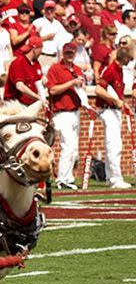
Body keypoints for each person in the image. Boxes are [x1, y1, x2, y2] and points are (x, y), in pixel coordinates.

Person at [46, 42, 87, 189]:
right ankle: (62, 179)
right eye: (67, 53)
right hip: (61, 112)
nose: (69, 55)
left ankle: (68, 178)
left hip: (75, 111)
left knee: (74, 148)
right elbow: (52, 90)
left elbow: (81, 89)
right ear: (63, 53)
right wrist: (72, 83)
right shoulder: (55, 69)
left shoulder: (77, 69)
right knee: (68, 145)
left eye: (72, 53)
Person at [94, 40, 133, 189]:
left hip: (115, 110)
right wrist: (115, 100)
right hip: (109, 111)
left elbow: (116, 92)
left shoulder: (119, 70)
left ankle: (111, 177)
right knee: (114, 145)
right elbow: (98, 90)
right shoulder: (111, 69)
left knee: (115, 144)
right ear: (124, 58)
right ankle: (116, 179)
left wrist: (121, 102)